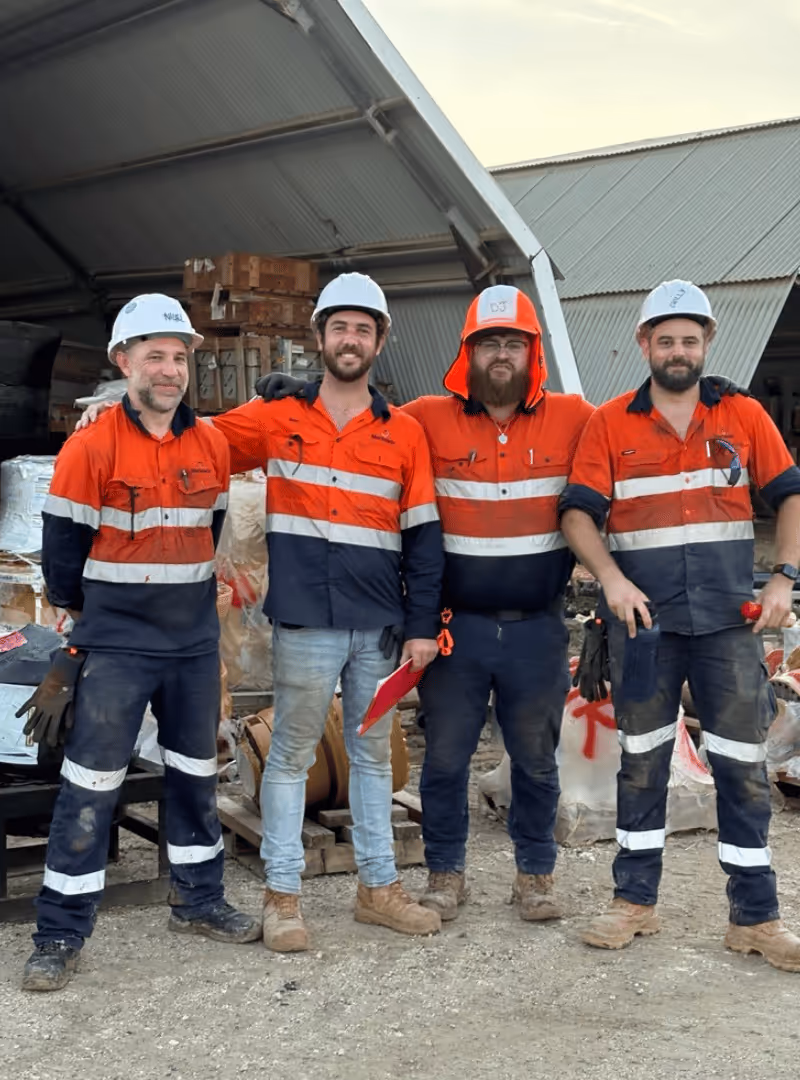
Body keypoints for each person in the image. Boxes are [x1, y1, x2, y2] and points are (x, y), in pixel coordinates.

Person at [258, 284, 595, 923]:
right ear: (466, 351)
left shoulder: (575, 417)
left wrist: (703, 395)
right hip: (453, 630)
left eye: (514, 344)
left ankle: (536, 877)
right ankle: (445, 876)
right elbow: (356, 412)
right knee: (444, 759)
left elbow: (632, 429)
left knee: (534, 758)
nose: (501, 355)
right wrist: (290, 393)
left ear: (533, 352)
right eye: (488, 343)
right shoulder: (421, 419)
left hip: (537, 627)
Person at [21, 295, 261, 993]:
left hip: (189, 643)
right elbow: (61, 556)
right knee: (91, 786)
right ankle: (59, 933)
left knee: (194, 775)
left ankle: (198, 900)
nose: (169, 369)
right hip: (118, 645)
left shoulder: (211, 444)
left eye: (179, 356)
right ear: (123, 362)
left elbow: (208, 532)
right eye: (154, 354)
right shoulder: (91, 445)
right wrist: (87, 629)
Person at [560, 279, 800, 971]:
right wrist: (610, 577)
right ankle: (635, 902)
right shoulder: (609, 424)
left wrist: (784, 576)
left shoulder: (743, 416)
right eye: (664, 339)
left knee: (742, 767)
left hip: (730, 624)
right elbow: (578, 512)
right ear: (644, 345)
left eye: (689, 339)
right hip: (645, 628)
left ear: (706, 343)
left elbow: (788, 496)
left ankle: (755, 918)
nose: (677, 350)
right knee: (641, 763)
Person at [208, 273, 443, 949]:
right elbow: (195, 445)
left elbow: (424, 537)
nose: (350, 339)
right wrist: (119, 417)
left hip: (380, 625)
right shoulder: (277, 417)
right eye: (339, 326)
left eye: (363, 328)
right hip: (307, 621)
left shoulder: (403, 435)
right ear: (318, 337)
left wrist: (422, 626)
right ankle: (284, 897)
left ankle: (379, 889)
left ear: (380, 341)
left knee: (372, 756)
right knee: (289, 756)